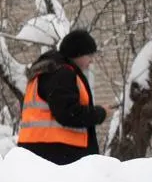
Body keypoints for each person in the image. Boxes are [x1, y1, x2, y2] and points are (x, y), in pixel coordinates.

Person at [16, 28, 109, 165]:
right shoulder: (62, 74)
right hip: (58, 152)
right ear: (78, 54)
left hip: (39, 149)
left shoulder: (47, 71)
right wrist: (99, 113)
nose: (91, 61)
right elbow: (68, 113)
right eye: (89, 56)